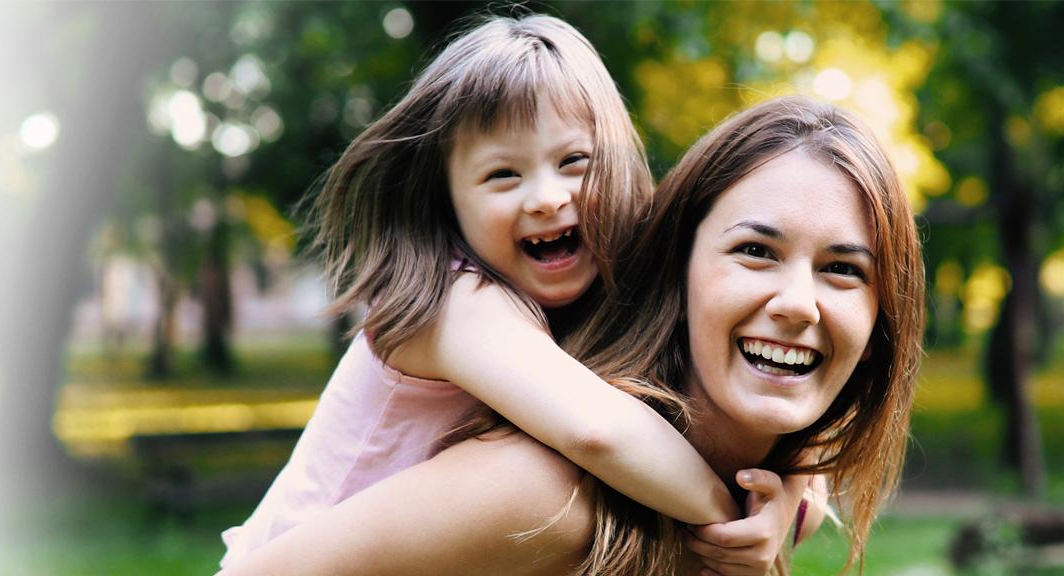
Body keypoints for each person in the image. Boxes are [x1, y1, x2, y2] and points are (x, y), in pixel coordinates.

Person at [222, 95, 925, 575]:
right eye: (754, 251)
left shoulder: (771, 505)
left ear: (881, 318)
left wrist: (782, 499)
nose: (798, 303)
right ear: (677, 264)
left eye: (842, 269)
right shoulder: (544, 495)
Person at [220, 13, 762, 569]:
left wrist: (787, 492)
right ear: (448, 200)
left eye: (574, 161)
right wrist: (729, 520)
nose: (547, 198)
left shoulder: (598, 300)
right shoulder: (448, 300)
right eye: (503, 174)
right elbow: (599, 433)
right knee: (557, 486)